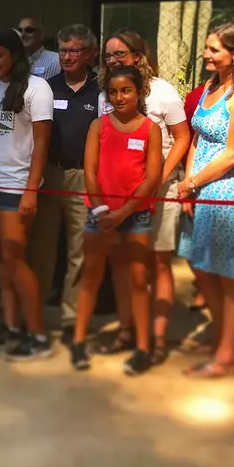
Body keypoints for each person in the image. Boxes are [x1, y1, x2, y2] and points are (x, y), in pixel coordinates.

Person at [178, 21, 234, 378]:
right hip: (198, 190)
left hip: (227, 193)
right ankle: (219, 334)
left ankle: (227, 354)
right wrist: (188, 182)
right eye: (208, 48)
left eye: (214, 49)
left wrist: (193, 182)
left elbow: (232, 154)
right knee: (202, 269)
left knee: (230, 279)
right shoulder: (212, 86)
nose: (206, 55)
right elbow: (197, 135)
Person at [100, 31, 190, 363]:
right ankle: (127, 331)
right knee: (122, 264)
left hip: (160, 192)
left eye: (119, 54)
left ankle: (160, 338)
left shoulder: (163, 92)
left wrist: (160, 178)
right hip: (119, 195)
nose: (113, 60)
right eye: (108, 55)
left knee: (158, 262)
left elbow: (182, 138)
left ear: (138, 56)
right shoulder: (106, 92)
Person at [72, 65, 162, 373]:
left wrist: (124, 212)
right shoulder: (99, 126)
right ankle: (79, 342)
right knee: (92, 275)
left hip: (135, 216)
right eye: (113, 92)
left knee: (137, 278)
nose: (119, 97)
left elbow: (152, 178)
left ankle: (142, 348)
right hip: (100, 214)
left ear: (139, 92)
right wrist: (101, 212)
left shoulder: (150, 128)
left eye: (126, 90)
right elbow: (90, 172)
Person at [0, 26, 55, 361]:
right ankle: (11, 328)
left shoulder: (37, 88)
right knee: (0, 258)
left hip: (17, 185)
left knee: (16, 259)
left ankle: (38, 335)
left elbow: (41, 146)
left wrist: (30, 192)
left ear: (15, 55)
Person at [28, 24, 99, 346]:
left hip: (84, 177)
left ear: (90, 54)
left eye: (75, 50)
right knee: (42, 248)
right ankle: (36, 313)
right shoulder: (45, 87)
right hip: (49, 176)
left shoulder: (101, 89)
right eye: (64, 50)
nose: (68, 57)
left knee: (78, 252)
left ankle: (72, 318)